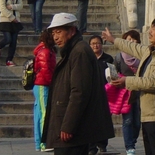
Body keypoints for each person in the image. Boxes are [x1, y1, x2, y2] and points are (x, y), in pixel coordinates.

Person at [102, 15, 155, 155]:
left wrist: (127, 81)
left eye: (154, 28)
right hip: (148, 113)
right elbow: (134, 47)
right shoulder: (152, 51)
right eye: (151, 27)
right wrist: (114, 40)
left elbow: (153, 82)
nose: (150, 31)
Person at [42, 13, 115, 153]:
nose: (55, 37)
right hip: (67, 123)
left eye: (59, 32)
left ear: (71, 31)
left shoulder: (79, 51)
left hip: (74, 128)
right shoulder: (72, 51)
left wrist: (69, 125)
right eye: (53, 33)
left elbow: (79, 92)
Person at [113, 30, 142, 155]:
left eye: (134, 40)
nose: (131, 42)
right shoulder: (119, 57)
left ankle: (133, 141)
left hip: (140, 91)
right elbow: (114, 73)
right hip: (126, 93)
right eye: (129, 39)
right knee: (128, 120)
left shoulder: (142, 57)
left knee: (137, 121)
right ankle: (129, 146)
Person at [88, 35, 114, 155]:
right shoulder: (87, 58)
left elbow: (113, 74)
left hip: (106, 92)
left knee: (104, 119)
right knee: (91, 120)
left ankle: (102, 144)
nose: (95, 45)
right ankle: (91, 146)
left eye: (97, 43)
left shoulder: (108, 58)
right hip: (91, 92)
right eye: (93, 43)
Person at [33, 30, 56, 152]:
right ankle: (44, 142)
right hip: (43, 84)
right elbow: (46, 69)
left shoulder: (44, 50)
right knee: (44, 114)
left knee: (39, 113)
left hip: (41, 84)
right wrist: (53, 82)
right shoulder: (45, 52)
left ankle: (39, 142)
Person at [0, 0, 23, 66]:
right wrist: (12, 17)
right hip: (5, 20)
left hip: (16, 20)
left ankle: (9, 59)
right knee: (8, 39)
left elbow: (21, 5)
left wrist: (12, 6)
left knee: (14, 41)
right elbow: (2, 8)